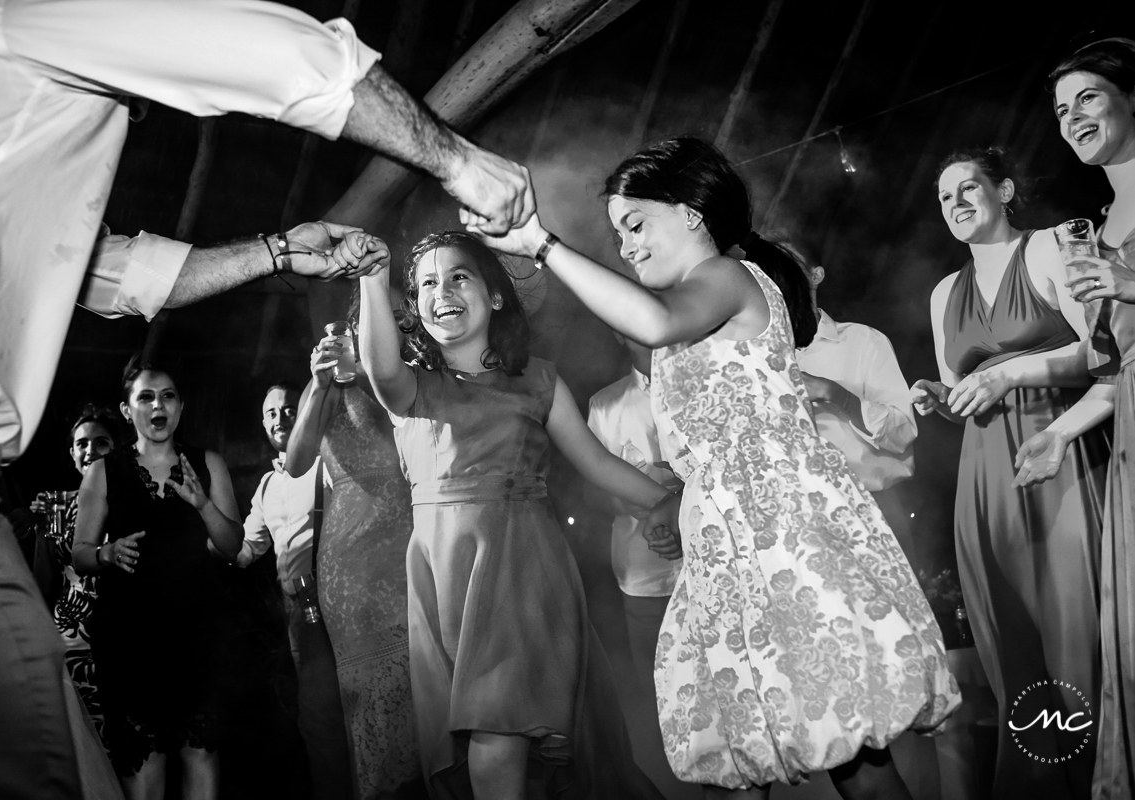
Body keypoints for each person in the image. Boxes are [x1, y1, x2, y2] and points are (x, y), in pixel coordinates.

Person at [0, 1, 534, 793]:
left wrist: (281, 249)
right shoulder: (24, 16)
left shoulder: (13, 128)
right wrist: (457, 161)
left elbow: (111, 274)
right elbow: (266, 52)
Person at [474, 135, 959, 799]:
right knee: (753, 761)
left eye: (636, 224)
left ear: (691, 214)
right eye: (618, 235)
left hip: (781, 542)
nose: (627, 246)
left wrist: (542, 245)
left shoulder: (725, 279)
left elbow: (648, 320)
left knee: (848, 757)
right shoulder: (697, 302)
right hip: (728, 545)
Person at [355, 229, 675, 799]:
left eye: (458, 276)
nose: (442, 290)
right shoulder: (410, 387)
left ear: (495, 296)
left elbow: (596, 463)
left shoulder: (539, 379)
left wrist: (668, 501)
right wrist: (372, 280)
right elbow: (379, 369)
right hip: (444, 576)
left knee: (497, 740)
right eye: (427, 282)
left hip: (523, 568)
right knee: (495, 748)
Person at [911, 146, 1110, 800]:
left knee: (1075, 634)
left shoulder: (1050, 247)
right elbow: (961, 390)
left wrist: (1009, 372)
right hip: (985, 474)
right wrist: (937, 399)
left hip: (1060, 452)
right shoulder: (945, 291)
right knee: (1010, 643)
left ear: (1004, 188)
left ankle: (1099, 778)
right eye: (945, 198)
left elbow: (1104, 354)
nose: (957, 204)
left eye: (969, 188)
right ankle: (1038, 785)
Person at [1013, 37, 1135, 799]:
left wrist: (1133, 283)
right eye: (1062, 110)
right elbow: (1119, 367)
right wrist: (1061, 431)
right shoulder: (1095, 226)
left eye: (1088, 97)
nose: (1073, 117)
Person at [72, 356, 243, 800]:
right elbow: (80, 553)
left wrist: (204, 504)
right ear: (128, 410)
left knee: (199, 754)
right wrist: (106, 553)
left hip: (198, 637)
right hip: (132, 642)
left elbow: (231, 546)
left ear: (181, 406)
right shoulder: (104, 471)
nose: (157, 405)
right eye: (145, 397)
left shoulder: (207, 462)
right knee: (144, 768)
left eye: (167, 395)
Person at [283, 287, 422, 800]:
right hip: (356, 568)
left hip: (422, 545)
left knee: (432, 701)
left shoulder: (418, 372)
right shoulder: (330, 383)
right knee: (377, 716)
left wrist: (374, 368)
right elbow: (297, 462)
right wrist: (320, 386)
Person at [584, 337, 692, 800]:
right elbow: (599, 484)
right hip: (643, 572)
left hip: (712, 565)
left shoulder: (700, 382)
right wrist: (654, 517)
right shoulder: (605, 404)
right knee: (661, 695)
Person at [233, 381, 351, 800]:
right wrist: (204, 515)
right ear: (262, 424)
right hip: (297, 615)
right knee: (316, 720)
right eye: (270, 413)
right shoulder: (266, 486)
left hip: (341, 601)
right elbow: (245, 551)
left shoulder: (327, 463)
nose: (280, 418)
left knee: (349, 711)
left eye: (287, 410)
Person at [787, 242, 919, 565]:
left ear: (815, 275)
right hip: (793, 521)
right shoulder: (751, 356)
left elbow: (902, 435)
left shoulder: (862, 343)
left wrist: (837, 395)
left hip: (873, 511)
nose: (779, 272)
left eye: (789, 261)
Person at [30, 405, 120, 740]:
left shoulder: (130, 502)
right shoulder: (61, 506)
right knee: (76, 743)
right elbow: (45, 581)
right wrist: (41, 530)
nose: (90, 451)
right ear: (71, 453)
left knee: (120, 747)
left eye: (101, 443)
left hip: (120, 639)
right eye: (82, 444)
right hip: (69, 641)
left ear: (117, 449)